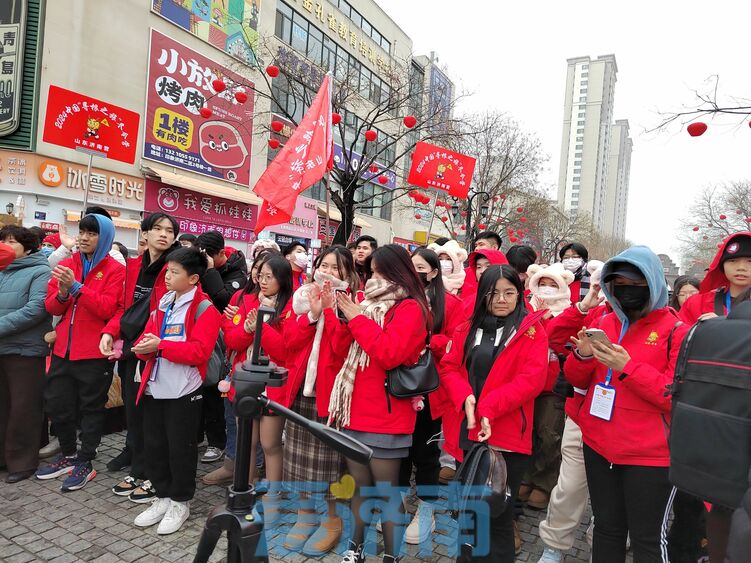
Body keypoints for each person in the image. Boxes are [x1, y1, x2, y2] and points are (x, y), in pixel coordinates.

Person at [564, 246, 689, 563]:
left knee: (647, 540)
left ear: (654, 284)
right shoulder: (603, 323)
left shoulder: (677, 332)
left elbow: (675, 397)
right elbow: (577, 380)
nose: (627, 291)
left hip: (650, 458)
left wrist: (628, 367)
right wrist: (582, 356)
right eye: (619, 283)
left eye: (636, 284)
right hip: (598, 446)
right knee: (607, 529)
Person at [440, 264, 548, 561]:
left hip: (508, 437)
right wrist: (465, 396)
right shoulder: (467, 327)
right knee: (469, 513)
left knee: (499, 517)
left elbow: (532, 379)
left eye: (509, 292)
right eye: (494, 293)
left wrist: (489, 406)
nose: (502, 299)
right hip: (468, 433)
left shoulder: (531, 331)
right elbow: (449, 367)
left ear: (519, 294)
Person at [330, 244, 430, 563]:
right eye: (371, 271)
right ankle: (355, 546)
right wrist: (343, 317)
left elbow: (389, 354)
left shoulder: (411, 308)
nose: (372, 276)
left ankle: (392, 554)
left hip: (387, 414)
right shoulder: (367, 304)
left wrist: (357, 318)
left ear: (395, 272)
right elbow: (339, 349)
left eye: (378, 271)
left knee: (386, 492)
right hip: (355, 408)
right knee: (360, 487)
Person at [130, 247, 222, 535]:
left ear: (193, 278)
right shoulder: (163, 302)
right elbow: (150, 336)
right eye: (167, 271)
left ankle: (181, 501)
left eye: (174, 272)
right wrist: (144, 349)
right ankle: (162, 495)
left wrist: (160, 346)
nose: (167, 277)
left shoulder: (205, 309)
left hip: (184, 390)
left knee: (180, 448)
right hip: (154, 385)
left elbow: (199, 352)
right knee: (155, 445)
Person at [280, 245, 360, 554]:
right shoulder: (302, 297)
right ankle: (305, 516)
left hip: (331, 395)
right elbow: (290, 341)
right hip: (301, 389)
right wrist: (313, 313)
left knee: (329, 465)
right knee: (297, 460)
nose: (328, 271)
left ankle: (332, 521)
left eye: (336, 268)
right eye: (323, 264)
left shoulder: (353, 302)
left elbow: (342, 347)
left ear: (348, 274)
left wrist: (329, 310)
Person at [36, 213, 124, 491]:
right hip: (63, 349)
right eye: (82, 231)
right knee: (58, 404)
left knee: (91, 409)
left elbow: (108, 308)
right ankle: (69, 454)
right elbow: (52, 307)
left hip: (94, 353)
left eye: (92, 233)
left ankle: (85, 460)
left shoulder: (115, 270)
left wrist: (76, 287)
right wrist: (63, 293)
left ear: (105, 237)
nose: (84, 237)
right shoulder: (66, 264)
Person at [100, 212, 180, 504]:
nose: (163, 234)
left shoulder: (175, 268)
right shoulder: (133, 266)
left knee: (153, 416)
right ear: (144, 233)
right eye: (157, 228)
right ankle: (139, 466)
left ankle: (153, 475)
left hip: (158, 350)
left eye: (169, 231)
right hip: (132, 349)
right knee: (133, 412)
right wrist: (110, 332)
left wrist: (153, 342)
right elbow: (124, 307)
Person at [536, 260, 605, 563]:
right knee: (569, 487)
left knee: (612, 494)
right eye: (612, 283)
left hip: (630, 425)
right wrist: (584, 307)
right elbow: (553, 337)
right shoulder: (597, 315)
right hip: (584, 414)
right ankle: (554, 546)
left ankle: (603, 542)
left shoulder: (665, 324)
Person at [223, 255, 294, 521]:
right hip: (246, 380)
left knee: (270, 443)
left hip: (273, 385)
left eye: (269, 277)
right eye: (260, 275)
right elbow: (232, 338)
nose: (263, 282)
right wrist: (248, 329)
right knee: (246, 442)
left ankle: (273, 496)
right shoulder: (244, 299)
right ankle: (247, 489)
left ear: (282, 279)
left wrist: (261, 326)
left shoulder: (290, 307)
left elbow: (285, 352)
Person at [401, 247, 464, 545]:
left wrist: (429, 340)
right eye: (410, 266)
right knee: (399, 450)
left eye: (421, 267)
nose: (416, 272)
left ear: (435, 272)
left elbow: (456, 341)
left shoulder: (451, 303)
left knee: (425, 454)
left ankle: (426, 510)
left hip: (431, 388)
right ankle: (397, 502)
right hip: (398, 386)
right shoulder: (398, 298)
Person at [519, 263, 575, 512]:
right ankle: (525, 476)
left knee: (548, 434)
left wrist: (543, 319)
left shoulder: (569, 314)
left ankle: (543, 481)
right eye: (543, 284)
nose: (548, 289)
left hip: (551, 384)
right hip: (523, 380)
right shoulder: (523, 307)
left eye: (554, 285)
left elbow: (558, 341)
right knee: (525, 430)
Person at [0, 226, 52, 483]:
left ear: (28, 246)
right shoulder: (2, 271)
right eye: (3, 242)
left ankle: (22, 461)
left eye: (12, 242)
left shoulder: (41, 271)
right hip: (2, 347)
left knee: (24, 408)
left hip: (26, 350)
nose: (6, 246)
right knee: (3, 406)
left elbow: (36, 309)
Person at [195, 230, 249, 464]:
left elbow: (224, 299)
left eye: (206, 255)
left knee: (215, 389)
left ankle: (217, 442)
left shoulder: (238, 273)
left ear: (218, 254)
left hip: (224, 339)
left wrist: (209, 270)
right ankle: (200, 435)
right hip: (200, 332)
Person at [665, 274, 706, 563]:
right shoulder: (671, 327)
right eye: (684, 292)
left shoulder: (712, 326)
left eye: (694, 292)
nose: (689, 297)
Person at [680, 232, 751, 324]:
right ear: (722, 266)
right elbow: (680, 335)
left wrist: (722, 326)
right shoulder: (696, 304)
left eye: (750, 261)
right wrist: (705, 328)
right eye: (733, 261)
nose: (741, 267)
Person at [460, 248, 509, 317]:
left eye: (488, 266)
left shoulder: (513, 297)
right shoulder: (469, 300)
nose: (482, 271)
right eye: (479, 267)